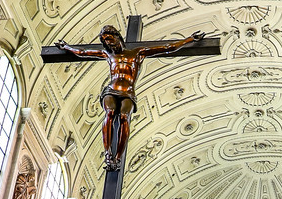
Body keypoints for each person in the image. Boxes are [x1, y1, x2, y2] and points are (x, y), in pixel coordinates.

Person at [55, 25, 205, 167]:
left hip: (128, 92)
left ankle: (118, 157)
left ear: (117, 37)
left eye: (110, 38)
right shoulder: (107, 54)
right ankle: (108, 153)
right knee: (110, 112)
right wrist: (66, 47)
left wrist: (190, 39)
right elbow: (83, 52)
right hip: (111, 90)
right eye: (105, 41)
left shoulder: (137, 53)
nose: (108, 43)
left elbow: (167, 48)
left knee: (124, 117)